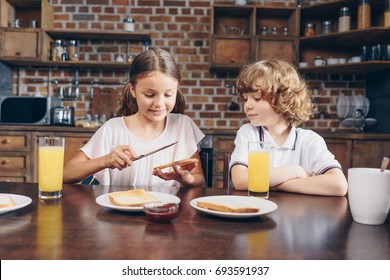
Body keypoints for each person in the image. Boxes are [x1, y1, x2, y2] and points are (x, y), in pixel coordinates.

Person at [63, 48, 205, 188]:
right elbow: (65, 174)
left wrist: (186, 179)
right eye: (149, 95)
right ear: (133, 90)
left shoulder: (183, 125)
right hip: (120, 210)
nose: (159, 104)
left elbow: (200, 181)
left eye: (168, 95)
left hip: (165, 210)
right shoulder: (112, 129)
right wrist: (105, 161)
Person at [229, 59, 348, 196]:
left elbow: (338, 185)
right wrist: (295, 171)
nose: (247, 105)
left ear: (283, 99)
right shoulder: (248, 133)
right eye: (245, 98)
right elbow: (240, 180)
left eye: (256, 98)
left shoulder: (309, 140)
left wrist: (276, 185)